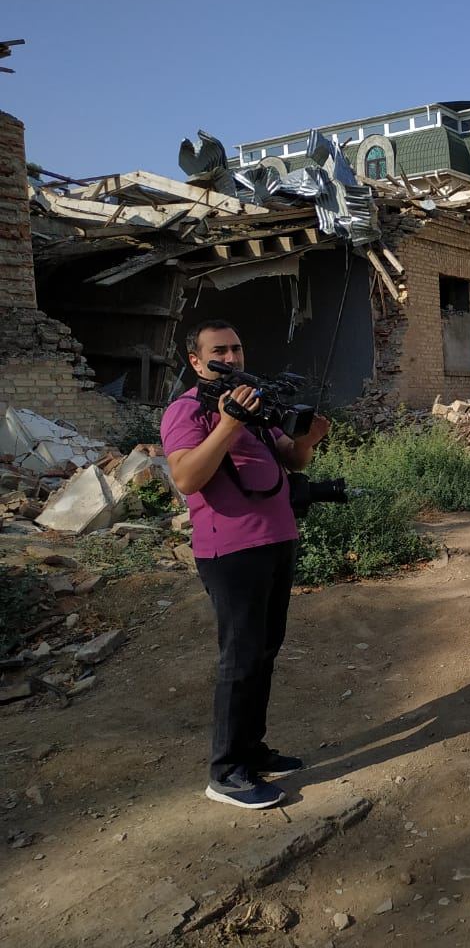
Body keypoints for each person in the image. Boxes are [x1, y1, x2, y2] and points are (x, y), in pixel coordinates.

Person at [161, 320, 330, 809]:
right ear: (196, 361)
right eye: (219, 350)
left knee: (263, 652)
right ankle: (226, 773)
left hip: (277, 541)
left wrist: (308, 439)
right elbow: (186, 478)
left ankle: (252, 750)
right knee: (240, 658)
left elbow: (291, 460)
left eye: (236, 348)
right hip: (231, 551)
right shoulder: (187, 410)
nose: (231, 357)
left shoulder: (254, 404)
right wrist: (228, 424)